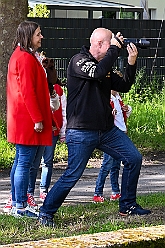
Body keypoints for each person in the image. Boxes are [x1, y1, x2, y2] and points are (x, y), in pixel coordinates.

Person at [38, 27, 151, 227]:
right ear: (99, 44)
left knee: (134, 158)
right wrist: (116, 50)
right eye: (111, 43)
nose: (115, 46)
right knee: (72, 174)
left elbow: (124, 85)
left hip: (106, 130)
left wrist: (131, 63)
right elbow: (97, 73)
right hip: (81, 130)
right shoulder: (78, 61)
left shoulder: (104, 66)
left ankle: (128, 205)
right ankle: (46, 212)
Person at [6, 21, 52, 218]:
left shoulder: (24, 55)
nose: (41, 37)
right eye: (38, 34)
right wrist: (37, 118)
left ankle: (17, 203)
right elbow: (27, 91)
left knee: (20, 161)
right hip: (28, 119)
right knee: (24, 162)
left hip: (22, 118)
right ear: (28, 36)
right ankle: (20, 206)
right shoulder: (24, 58)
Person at [93, 90, 132, 202]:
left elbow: (123, 116)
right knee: (107, 165)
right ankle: (98, 192)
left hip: (121, 133)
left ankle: (115, 191)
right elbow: (100, 116)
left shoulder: (118, 98)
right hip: (111, 136)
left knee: (116, 166)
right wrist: (109, 114)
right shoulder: (106, 98)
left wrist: (128, 110)